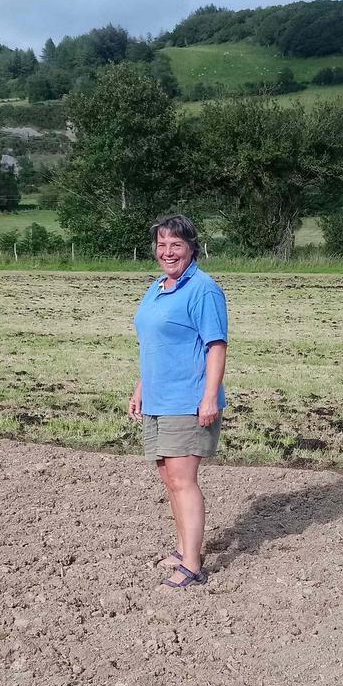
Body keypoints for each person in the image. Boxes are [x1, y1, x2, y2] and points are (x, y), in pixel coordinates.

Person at [130, 214, 228, 588]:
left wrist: (209, 398)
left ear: (191, 248)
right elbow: (154, 345)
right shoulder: (157, 286)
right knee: (170, 480)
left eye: (176, 245)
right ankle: (185, 547)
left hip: (187, 400)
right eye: (162, 245)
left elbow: (216, 346)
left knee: (184, 481)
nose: (167, 252)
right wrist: (141, 387)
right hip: (158, 399)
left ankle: (192, 565)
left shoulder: (203, 289)